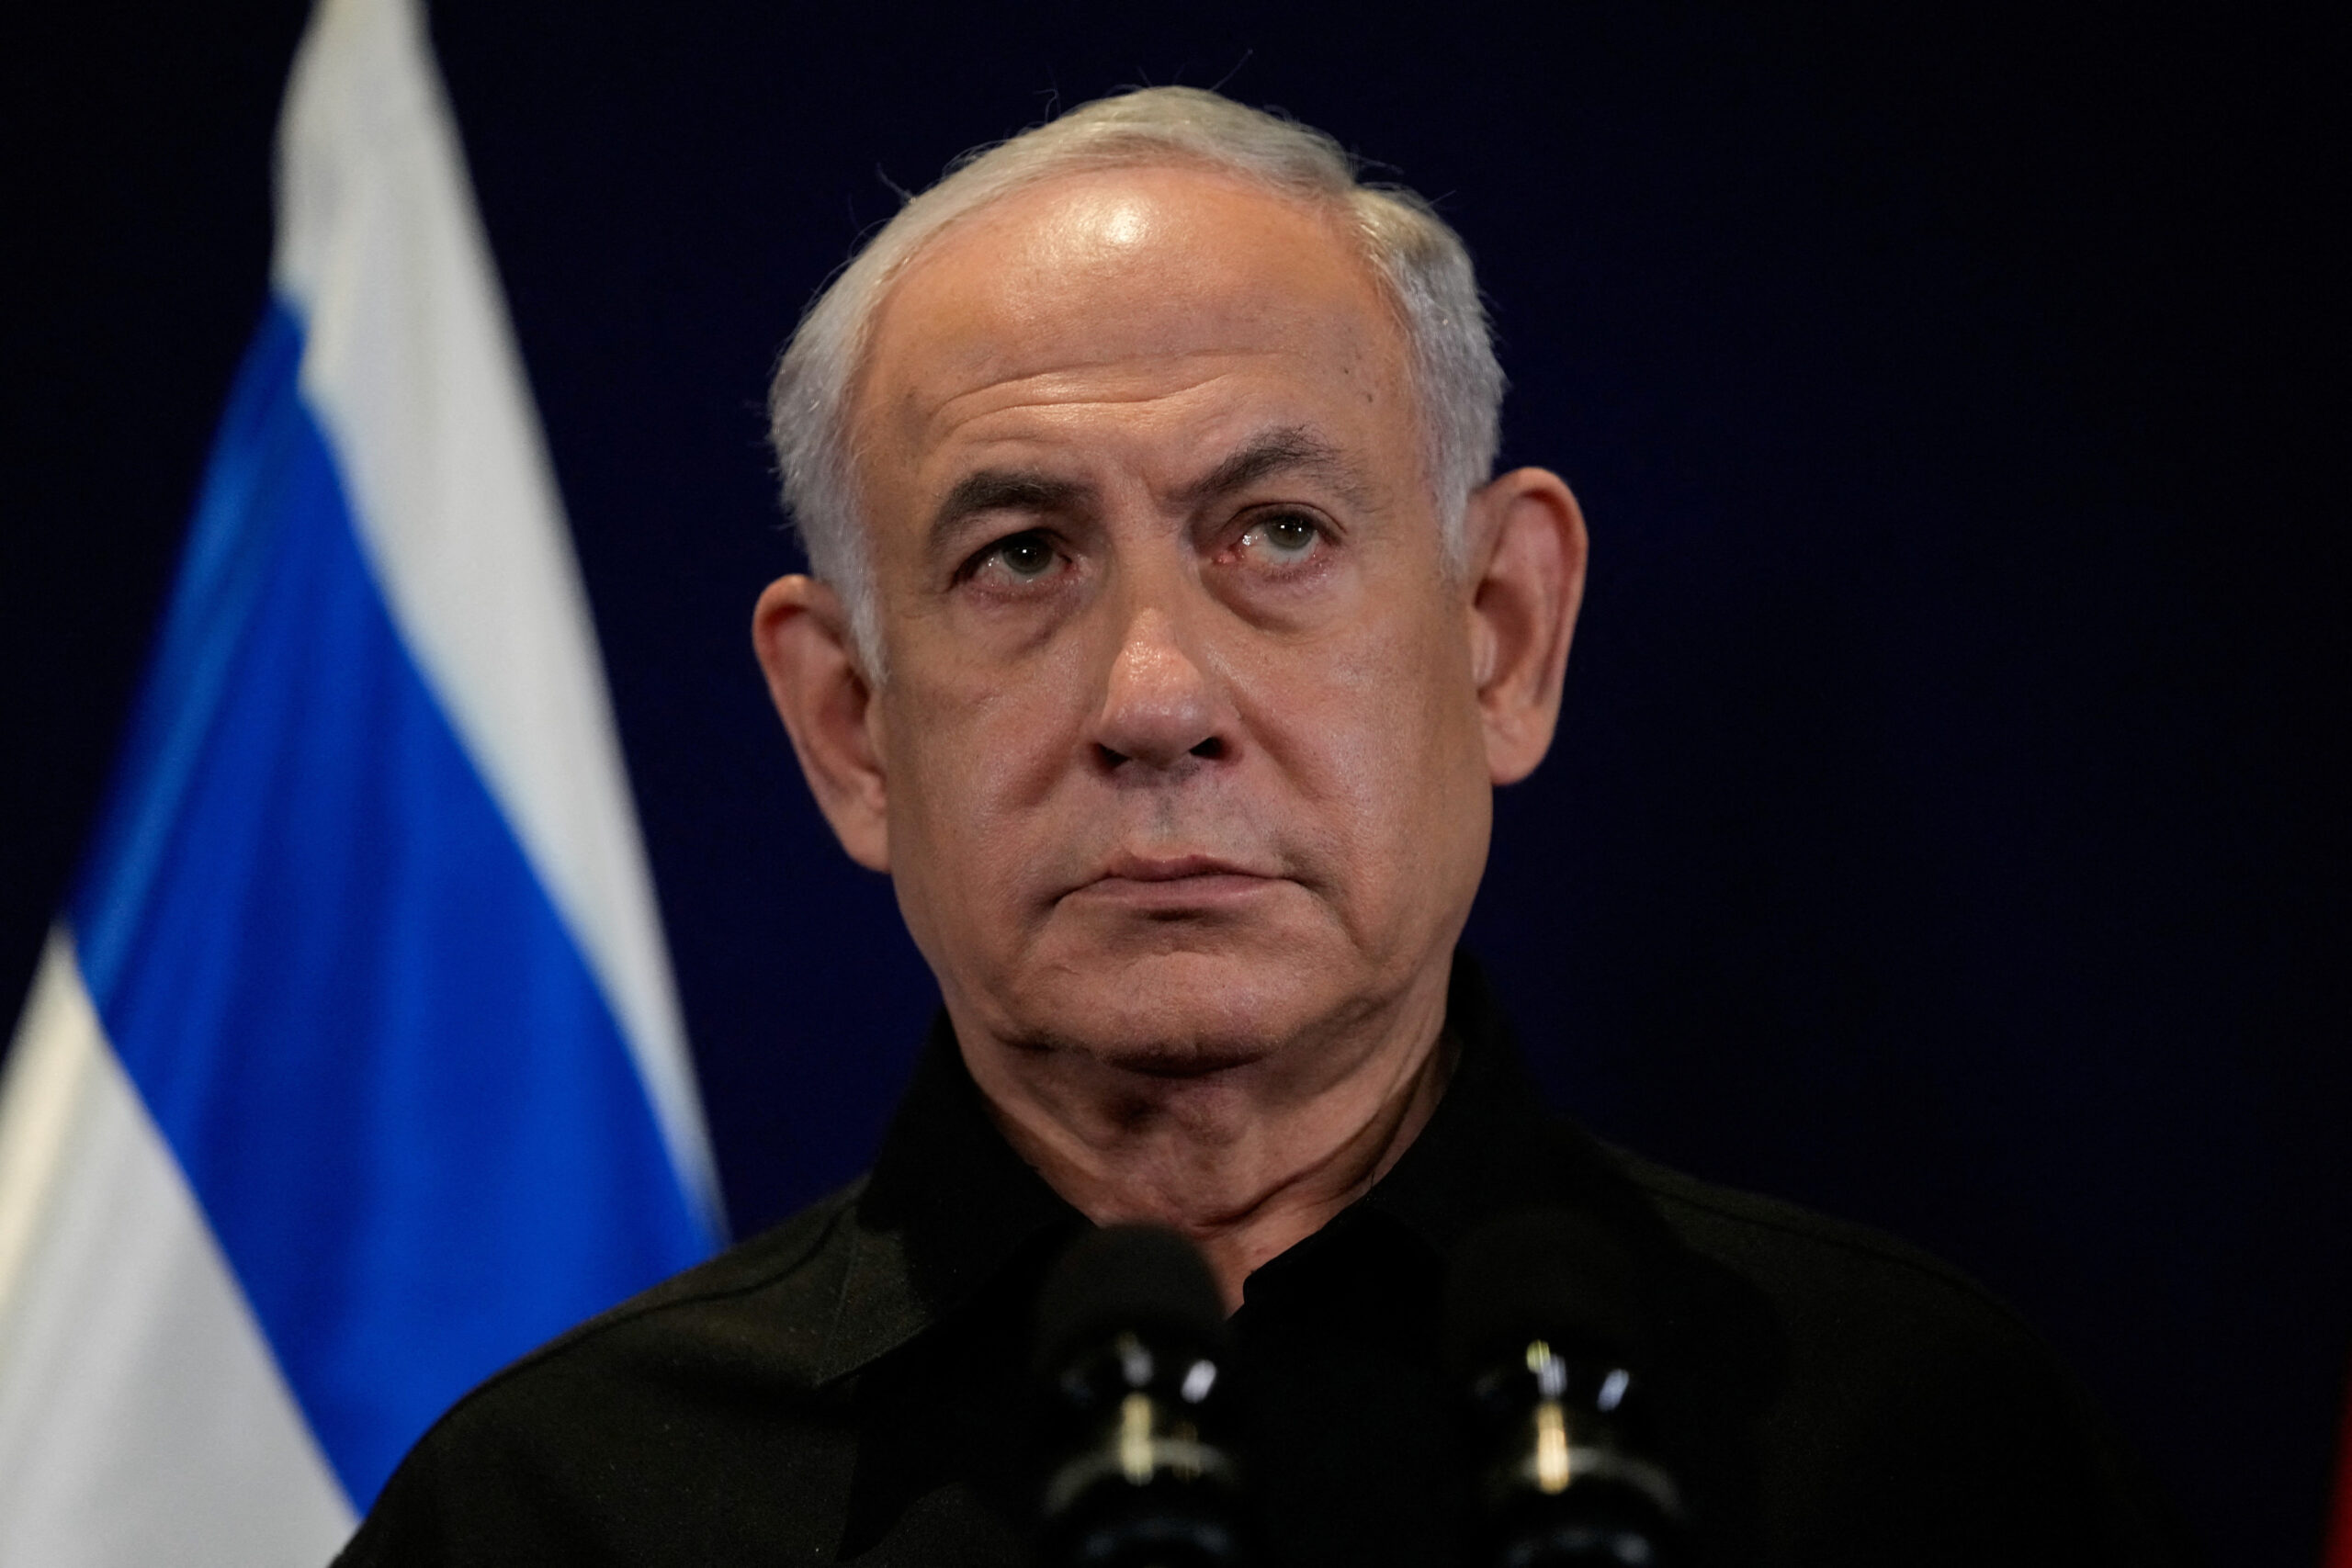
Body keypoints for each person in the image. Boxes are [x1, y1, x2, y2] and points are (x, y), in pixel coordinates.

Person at [335, 87, 2188, 1565]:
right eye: (1021, 555)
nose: (1155, 697)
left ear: (1500, 635)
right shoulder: (554, 1518)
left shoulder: (1913, 1451)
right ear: (850, 727)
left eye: (1277, 532)